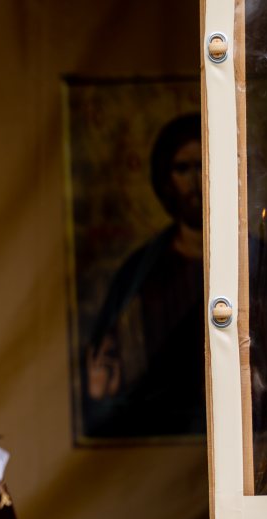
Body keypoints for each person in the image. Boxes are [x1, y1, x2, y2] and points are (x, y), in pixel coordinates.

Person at [83, 113, 206, 438]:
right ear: (166, 180)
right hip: (157, 425)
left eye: (202, 165)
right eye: (183, 169)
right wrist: (102, 393)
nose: (194, 181)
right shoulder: (139, 271)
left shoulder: (266, 264)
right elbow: (107, 373)